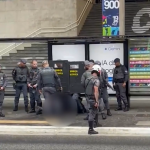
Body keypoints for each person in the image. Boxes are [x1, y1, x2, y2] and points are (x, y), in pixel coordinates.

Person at [85, 64, 102, 135]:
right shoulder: (96, 80)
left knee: (90, 112)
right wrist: (97, 101)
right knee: (92, 113)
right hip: (93, 99)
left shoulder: (88, 79)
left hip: (88, 98)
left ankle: (91, 128)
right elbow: (96, 91)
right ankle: (91, 129)